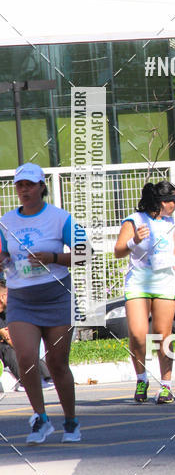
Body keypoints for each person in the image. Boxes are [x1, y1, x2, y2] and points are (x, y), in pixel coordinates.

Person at [0, 163, 78, 443]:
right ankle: (41, 419)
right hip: (21, 300)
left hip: (56, 296)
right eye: (20, 185)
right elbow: (1, 254)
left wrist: (53, 257)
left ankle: (71, 421)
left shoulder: (60, 218)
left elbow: (86, 253)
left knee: (57, 363)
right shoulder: (6, 221)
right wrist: (2, 261)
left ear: (42, 187)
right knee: (25, 358)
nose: (25, 190)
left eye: (30, 185)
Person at [114, 180, 175, 404]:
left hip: (164, 282)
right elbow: (118, 251)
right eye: (174, 202)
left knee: (162, 335)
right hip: (138, 283)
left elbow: (172, 252)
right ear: (162, 202)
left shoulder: (169, 222)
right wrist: (134, 240)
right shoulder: (134, 220)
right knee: (138, 335)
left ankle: (166, 385)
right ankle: (141, 379)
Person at [0, 282, 52, 389]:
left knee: (25, 348)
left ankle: (48, 377)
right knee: (9, 349)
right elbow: (8, 338)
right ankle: (26, 383)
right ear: (3, 297)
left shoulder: (7, 312)